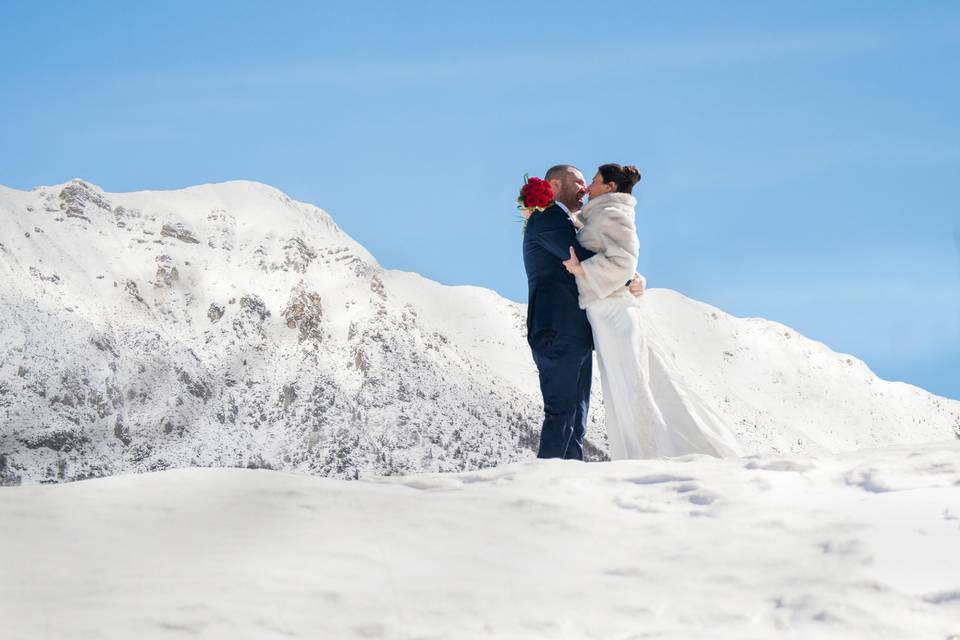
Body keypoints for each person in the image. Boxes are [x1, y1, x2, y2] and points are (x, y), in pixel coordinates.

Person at [562, 163, 742, 459]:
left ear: (609, 188)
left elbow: (624, 262)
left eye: (594, 181)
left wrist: (584, 270)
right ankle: (634, 451)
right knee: (619, 384)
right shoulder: (598, 215)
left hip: (615, 311)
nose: (589, 187)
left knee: (632, 381)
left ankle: (651, 453)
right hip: (602, 310)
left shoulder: (614, 214)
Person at [521, 164, 644, 460]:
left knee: (576, 418)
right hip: (555, 328)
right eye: (578, 180)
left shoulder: (569, 221)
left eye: (587, 181)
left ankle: (572, 485)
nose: (585, 187)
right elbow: (577, 254)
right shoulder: (546, 218)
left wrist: (629, 274)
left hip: (575, 331)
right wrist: (628, 276)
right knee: (561, 412)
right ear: (553, 185)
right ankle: (547, 482)